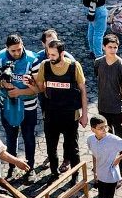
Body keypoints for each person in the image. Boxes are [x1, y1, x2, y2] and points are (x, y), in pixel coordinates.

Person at [32, 38, 88, 179]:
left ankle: (75, 176)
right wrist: (31, 84)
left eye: (53, 55)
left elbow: (83, 90)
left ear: (62, 53)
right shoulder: (44, 65)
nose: (50, 58)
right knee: (51, 148)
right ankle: (54, 174)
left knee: (73, 149)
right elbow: (40, 87)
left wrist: (84, 115)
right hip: (51, 114)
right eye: (49, 54)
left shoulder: (74, 66)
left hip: (70, 114)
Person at [0, 33, 39, 180]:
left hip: (28, 105)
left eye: (19, 49)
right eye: (13, 51)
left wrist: (20, 91)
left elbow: (39, 88)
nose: (17, 53)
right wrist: (3, 83)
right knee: (10, 137)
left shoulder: (33, 59)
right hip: (7, 104)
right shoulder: (0, 57)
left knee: (28, 136)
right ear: (7, 48)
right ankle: (12, 167)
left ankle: (30, 168)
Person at [92, 33, 122, 177]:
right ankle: (105, 168)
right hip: (102, 109)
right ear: (103, 47)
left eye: (115, 47)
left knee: (121, 143)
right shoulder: (98, 63)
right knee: (103, 140)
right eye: (110, 47)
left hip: (117, 110)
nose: (113, 50)